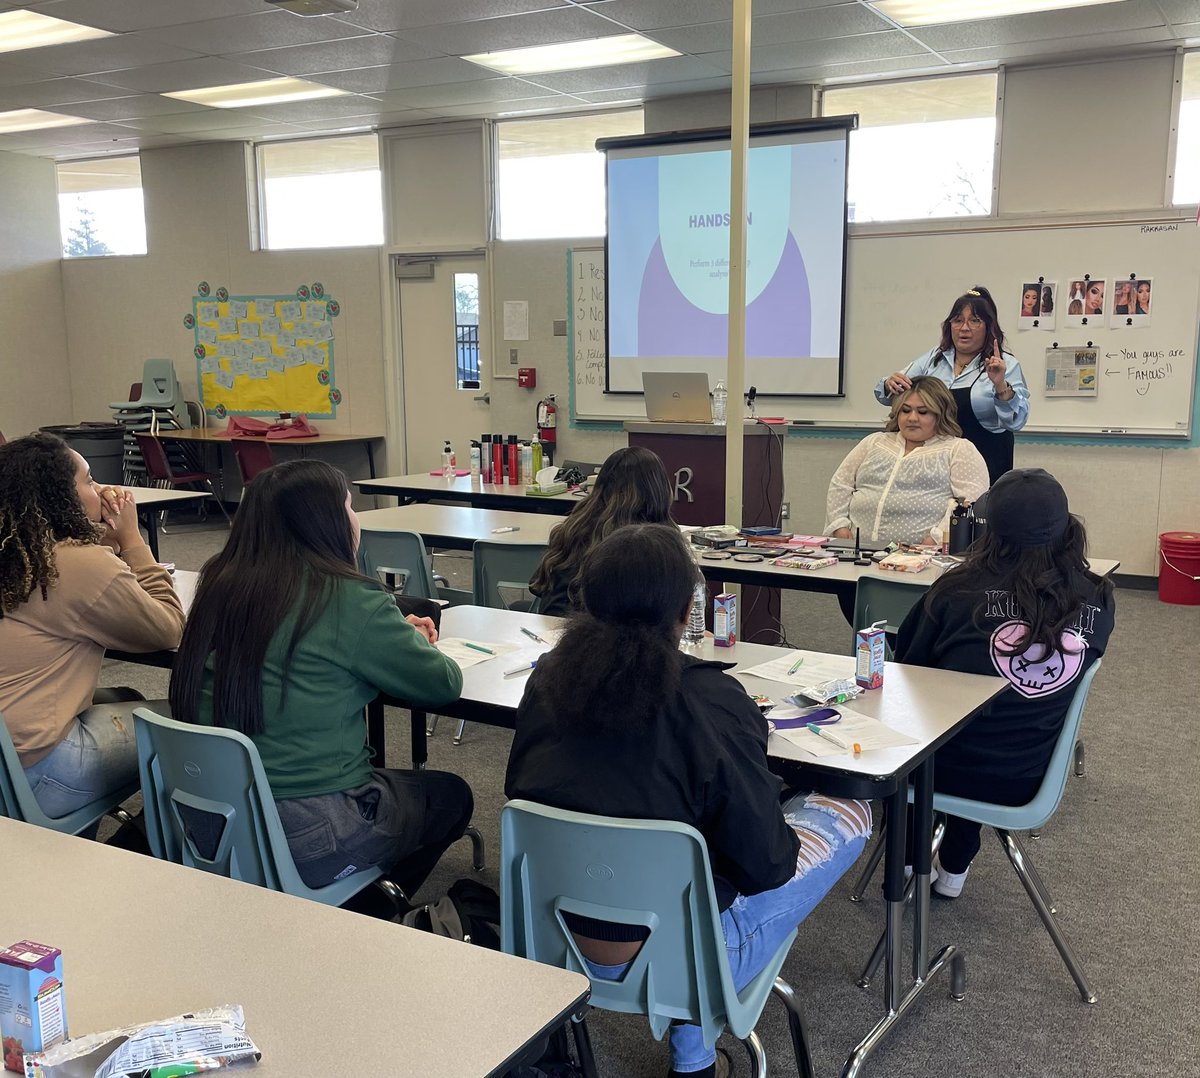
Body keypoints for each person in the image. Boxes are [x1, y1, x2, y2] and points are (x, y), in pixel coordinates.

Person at [507, 523, 871, 1078]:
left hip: (553, 933)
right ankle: (692, 1051)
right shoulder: (712, 701)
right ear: (685, 611)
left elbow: (523, 791)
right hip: (688, 954)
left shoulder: (544, 683)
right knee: (850, 810)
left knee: (680, 857)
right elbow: (767, 866)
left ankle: (696, 1056)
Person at [168, 459, 471, 900]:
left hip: (210, 813)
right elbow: (443, 684)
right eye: (349, 505)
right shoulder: (349, 597)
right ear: (325, 520)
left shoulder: (220, 582)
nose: (355, 517)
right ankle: (368, 908)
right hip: (308, 831)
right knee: (450, 797)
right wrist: (412, 639)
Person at [893, 469, 1114, 898]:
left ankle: (905, 863)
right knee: (996, 716)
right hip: (1030, 772)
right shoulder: (1098, 596)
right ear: (1068, 527)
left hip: (944, 772)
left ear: (989, 532)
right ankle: (955, 866)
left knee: (938, 727)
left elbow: (907, 671)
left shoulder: (954, 592)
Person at [0, 432, 184, 822]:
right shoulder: (79, 566)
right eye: (88, 481)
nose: (100, 489)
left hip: (7, 756)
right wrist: (132, 539)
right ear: (59, 497)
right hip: (35, 771)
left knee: (124, 694)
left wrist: (101, 537)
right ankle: (151, 844)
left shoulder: (18, 551)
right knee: (187, 719)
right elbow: (169, 628)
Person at [875, 284, 1029, 483]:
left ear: (988, 326)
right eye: (958, 321)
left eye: (974, 321)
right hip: (934, 464)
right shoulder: (934, 359)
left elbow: (1016, 421)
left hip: (985, 461)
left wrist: (1001, 386)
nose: (964, 328)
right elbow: (887, 395)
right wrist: (890, 384)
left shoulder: (1005, 364)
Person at [830, 376, 989, 549]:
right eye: (905, 410)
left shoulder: (958, 449)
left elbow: (970, 503)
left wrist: (935, 540)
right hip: (856, 550)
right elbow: (840, 484)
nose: (912, 418)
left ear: (940, 415)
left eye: (922, 412)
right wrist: (839, 526)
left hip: (925, 557)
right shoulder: (874, 442)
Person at [529, 445, 673, 617]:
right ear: (658, 491)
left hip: (552, 628)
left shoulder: (573, 527)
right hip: (599, 636)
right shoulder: (646, 546)